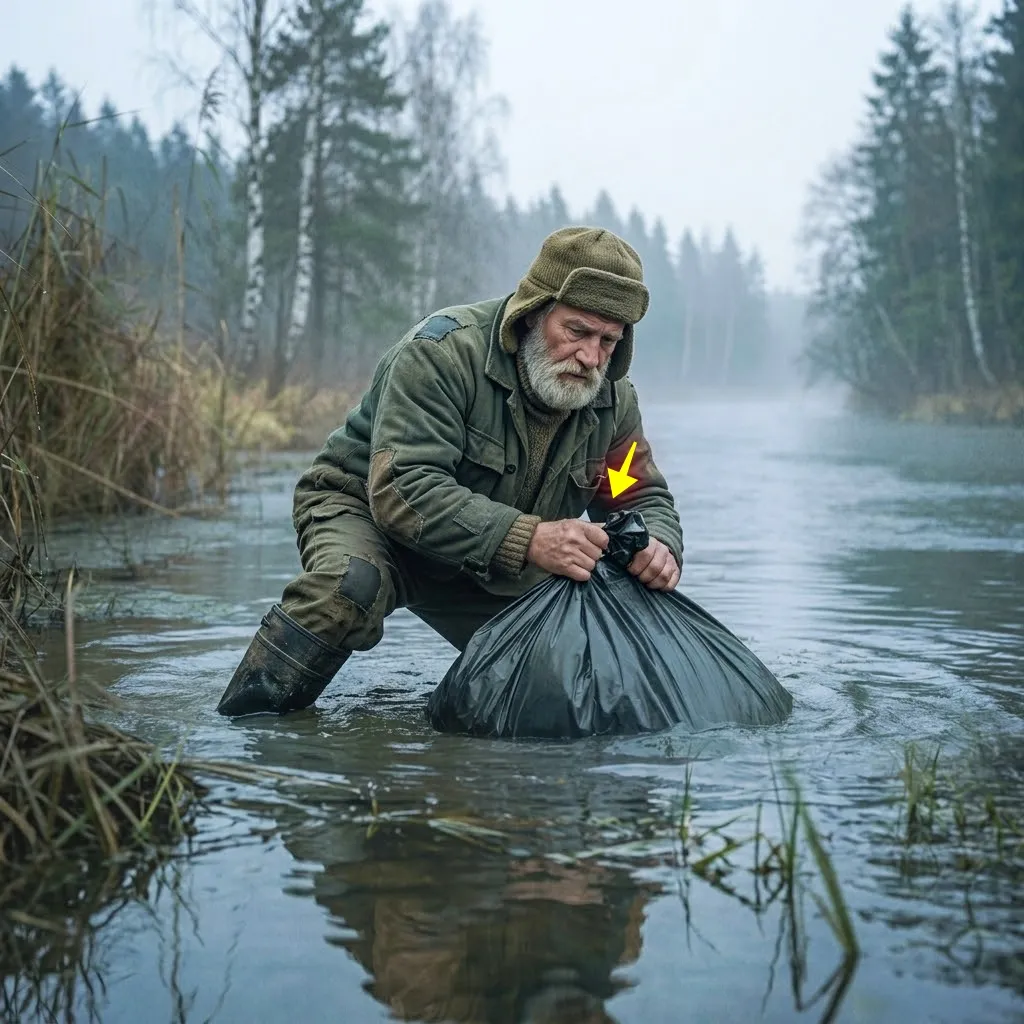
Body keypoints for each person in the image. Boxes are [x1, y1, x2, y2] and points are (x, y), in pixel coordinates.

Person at [217, 226, 684, 717]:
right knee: (347, 588)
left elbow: (633, 493)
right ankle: (247, 731)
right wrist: (531, 539)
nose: (590, 357)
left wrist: (657, 545)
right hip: (370, 518)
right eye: (577, 331)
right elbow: (405, 489)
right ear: (533, 312)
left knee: (567, 666)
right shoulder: (441, 355)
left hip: (494, 559)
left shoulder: (611, 403)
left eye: (608, 341)